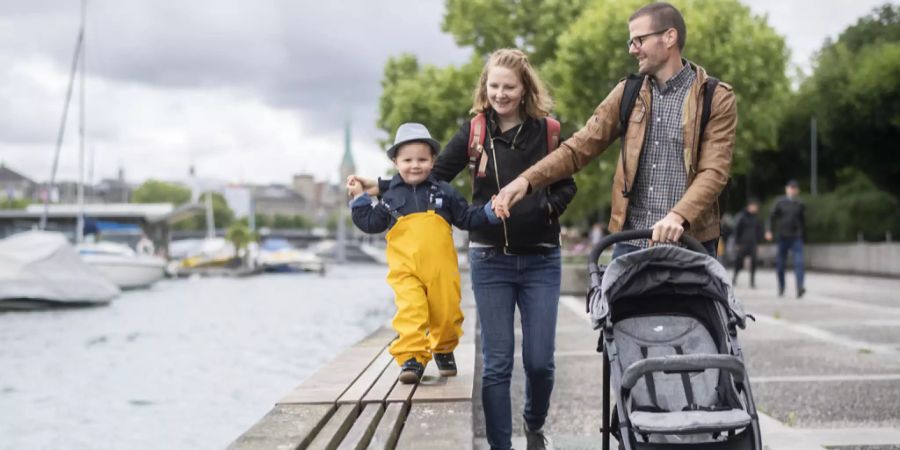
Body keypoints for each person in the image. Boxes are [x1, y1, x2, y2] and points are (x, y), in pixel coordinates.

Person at [354, 48, 576, 450]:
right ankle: (499, 446)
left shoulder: (548, 132)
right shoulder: (474, 131)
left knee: (540, 362)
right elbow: (426, 177)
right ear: (485, 86)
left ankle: (534, 424)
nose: (501, 94)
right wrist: (382, 187)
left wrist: (545, 207)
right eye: (494, 86)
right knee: (497, 364)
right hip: (490, 259)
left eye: (509, 87)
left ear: (525, 87)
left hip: (542, 257)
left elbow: (567, 184)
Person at [493, 2, 737, 261]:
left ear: (669, 37)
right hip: (631, 245)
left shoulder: (716, 97)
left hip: (691, 244)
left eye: (639, 40)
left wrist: (677, 216)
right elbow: (578, 148)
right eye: (631, 42)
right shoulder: (627, 93)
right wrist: (526, 181)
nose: (633, 49)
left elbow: (714, 171)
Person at [347, 122, 500, 384]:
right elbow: (371, 223)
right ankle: (412, 359)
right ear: (396, 162)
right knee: (411, 311)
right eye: (407, 160)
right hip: (406, 271)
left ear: (433, 161)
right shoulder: (390, 196)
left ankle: (443, 348)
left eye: (422, 159)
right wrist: (360, 200)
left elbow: (465, 218)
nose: (414, 165)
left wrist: (488, 212)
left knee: (447, 313)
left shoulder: (445, 192)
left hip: (441, 271)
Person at [765, 179, 806, 298]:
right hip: (782, 237)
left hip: (796, 237)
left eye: (795, 188)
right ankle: (781, 286)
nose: (792, 190)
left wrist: (803, 236)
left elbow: (803, 222)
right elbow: (771, 217)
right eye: (790, 188)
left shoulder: (800, 204)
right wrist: (768, 230)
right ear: (786, 189)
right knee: (781, 264)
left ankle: (800, 287)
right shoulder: (780, 202)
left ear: (797, 191)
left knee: (799, 263)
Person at [732, 198, 763, 288]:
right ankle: (735, 277)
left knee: (754, 262)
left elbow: (760, 231)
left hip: (753, 243)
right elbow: (737, 230)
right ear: (749, 207)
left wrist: (759, 244)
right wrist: (737, 243)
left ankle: (752, 281)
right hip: (743, 243)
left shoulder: (758, 218)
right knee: (739, 261)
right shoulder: (742, 217)